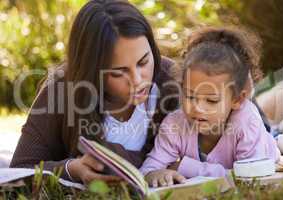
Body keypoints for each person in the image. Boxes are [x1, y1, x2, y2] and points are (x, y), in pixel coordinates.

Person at [10, 0, 179, 185]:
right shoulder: (60, 89)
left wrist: (173, 168)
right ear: (91, 69)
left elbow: (208, 154)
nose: (138, 81)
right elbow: (19, 169)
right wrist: (70, 169)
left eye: (143, 61)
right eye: (118, 72)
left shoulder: (171, 80)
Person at [140, 27, 280, 187]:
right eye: (190, 96)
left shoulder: (246, 123)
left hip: (267, 147)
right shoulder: (175, 124)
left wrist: (187, 167)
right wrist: (154, 173)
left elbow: (250, 179)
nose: (198, 108)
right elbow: (147, 170)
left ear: (237, 99)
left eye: (211, 100)